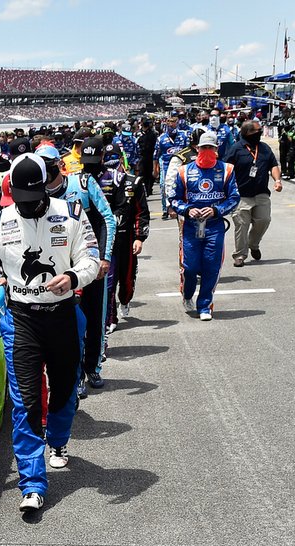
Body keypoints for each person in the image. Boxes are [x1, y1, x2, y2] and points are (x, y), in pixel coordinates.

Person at [0, 155, 99, 512]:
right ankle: (32, 482)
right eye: (20, 200)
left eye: (33, 198)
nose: (27, 206)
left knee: (66, 390)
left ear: (46, 187)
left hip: (63, 316)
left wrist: (73, 277)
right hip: (21, 319)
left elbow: (91, 259)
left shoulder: (70, 214)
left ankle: (57, 439)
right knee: (26, 402)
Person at [43, 140, 115, 392]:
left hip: (91, 264)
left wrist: (104, 257)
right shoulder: (36, 194)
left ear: (59, 165)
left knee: (95, 317)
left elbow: (108, 218)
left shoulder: (82, 183)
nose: (45, 170)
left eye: (49, 164)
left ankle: (93, 368)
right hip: (61, 268)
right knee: (70, 324)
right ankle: (75, 376)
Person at [171, 133, 240, 321]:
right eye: (204, 148)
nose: (207, 151)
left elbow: (234, 198)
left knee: (212, 266)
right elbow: (174, 198)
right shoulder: (184, 171)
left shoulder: (227, 169)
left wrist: (216, 210)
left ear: (216, 149)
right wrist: (187, 210)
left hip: (214, 226)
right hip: (191, 227)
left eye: (211, 148)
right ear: (197, 148)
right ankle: (187, 293)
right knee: (190, 267)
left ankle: (205, 306)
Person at [97, 144, 150, 322]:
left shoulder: (134, 182)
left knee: (127, 280)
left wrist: (139, 238)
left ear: (121, 160)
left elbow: (141, 212)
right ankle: (111, 318)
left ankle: (125, 301)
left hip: (127, 238)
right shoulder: (97, 182)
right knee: (109, 281)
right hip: (106, 240)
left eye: (114, 159)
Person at [225, 119, 282, 267]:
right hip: (241, 195)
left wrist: (277, 181)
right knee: (241, 225)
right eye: (258, 130)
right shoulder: (235, 149)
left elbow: (274, 165)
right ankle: (239, 255)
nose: (260, 133)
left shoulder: (264, 148)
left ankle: (253, 244)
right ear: (248, 133)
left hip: (261, 193)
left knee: (264, 220)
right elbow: (227, 170)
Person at [153, 117, 188, 217]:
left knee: (182, 186)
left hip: (181, 165)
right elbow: (155, 155)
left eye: (173, 121)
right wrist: (155, 169)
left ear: (177, 122)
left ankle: (181, 205)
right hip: (166, 165)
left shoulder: (184, 135)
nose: (171, 123)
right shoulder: (161, 138)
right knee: (163, 186)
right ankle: (166, 208)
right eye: (169, 121)